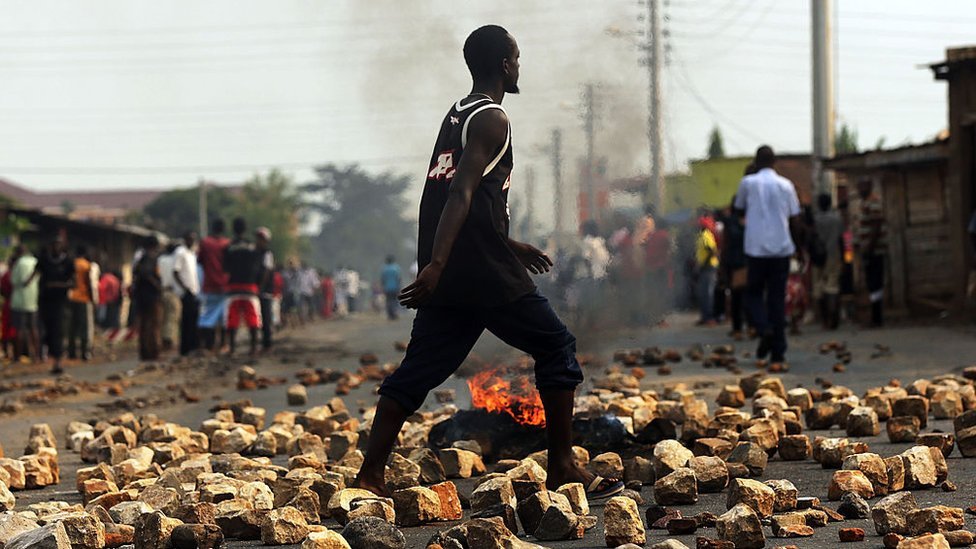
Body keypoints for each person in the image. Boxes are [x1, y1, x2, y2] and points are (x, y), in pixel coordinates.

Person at [353, 25, 622, 500]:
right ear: (504, 64)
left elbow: (462, 201)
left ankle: (370, 474)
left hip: (461, 267)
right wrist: (436, 264)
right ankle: (561, 464)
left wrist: (505, 245)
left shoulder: (458, 114)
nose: (519, 66)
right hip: (481, 272)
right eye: (516, 58)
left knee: (417, 372)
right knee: (557, 346)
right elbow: (459, 192)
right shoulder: (494, 118)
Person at [734, 145, 801, 367]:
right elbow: (795, 218)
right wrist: (799, 247)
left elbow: (739, 209)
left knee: (752, 295)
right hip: (782, 249)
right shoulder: (786, 185)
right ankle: (778, 353)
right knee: (777, 299)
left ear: (756, 161)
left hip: (756, 249)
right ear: (775, 162)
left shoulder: (748, 183)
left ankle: (765, 330)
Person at [222, 218, 263, 357]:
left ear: (233, 229)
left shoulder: (228, 247)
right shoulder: (252, 246)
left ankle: (232, 348)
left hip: (233, 287)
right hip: (250, 287)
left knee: (232, 318)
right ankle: (253, 347)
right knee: (253, 318)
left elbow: (225, 267)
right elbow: (258, 268)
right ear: (245, 229)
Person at [38, 239, 74, 373]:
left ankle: (57, 363)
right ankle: (48, 357)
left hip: (60, 303)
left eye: (58, 245)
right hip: (44, 302)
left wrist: (56, 285)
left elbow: (72, 283)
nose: (55, 248)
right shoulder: (44, 261)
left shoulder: (68, 262)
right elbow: (34, 275)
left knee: (57, 331)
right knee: (46, 331)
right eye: (53, 245)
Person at [855, 178, 887, 327]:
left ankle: (877, 317)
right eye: (859, 186)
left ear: (869, 186)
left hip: (874, 250)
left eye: (863, 186)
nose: (860, 189)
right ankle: (874, 316)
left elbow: (876, 225)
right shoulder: (864, 203)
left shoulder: (873, 202)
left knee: (875, 283)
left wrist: (869, 248)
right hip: (869, 249)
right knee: (872, 283)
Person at [812, 193, 843, 329]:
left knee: (819, 288)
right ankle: (834, 318)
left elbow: (811, 237)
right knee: (833, 286)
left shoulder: (815, 220)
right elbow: (841, 238)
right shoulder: (837, 219)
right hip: (833, 254)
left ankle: (824, 320)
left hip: (817, 257)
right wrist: (843, 256)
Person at [197, 218, 229, 352]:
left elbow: (200, 261)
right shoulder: (227, 244)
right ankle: (223, 344)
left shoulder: (205, 243)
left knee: (208, 316)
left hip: (209, 285)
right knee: (224, 316)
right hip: (226, 285)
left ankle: (207, 345)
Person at [722, 193, 748, 339]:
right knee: (751, 295)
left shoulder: (729, 221)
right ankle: (752, 326)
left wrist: (723, 263)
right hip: (750, 261)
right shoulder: (753, 221)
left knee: (736, 297)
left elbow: (725, 245)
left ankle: (737, 328)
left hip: (735, 264)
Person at [133, 237, 163, 361]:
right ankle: (152, 352)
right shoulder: (151, 258)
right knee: (153, 325)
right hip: (151, 297)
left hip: (141, 297)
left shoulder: (140, 259)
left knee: (144, 325)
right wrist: (157, 285)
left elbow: (136, 274)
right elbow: (146, 274)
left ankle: (144, 352)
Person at [10, 245, 39, 364]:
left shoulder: (19, 263)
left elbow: (13, 281)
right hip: (33, 301)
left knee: (19, 330)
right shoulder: (35, 261)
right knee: (33, 328)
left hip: (19, 301)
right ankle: (36, 356)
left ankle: (17, 356)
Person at [172, 232, 200, 356]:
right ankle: (185, 349)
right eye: (189, 239)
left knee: (194, 320)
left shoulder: (191, 253)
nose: (191, 241)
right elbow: (176, 272)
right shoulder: (180, 252)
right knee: (186, 321)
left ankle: (193, 346)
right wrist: (184, 288)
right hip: (186, 292)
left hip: (194, 291)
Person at [694, 215, 719, 326]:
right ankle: (705, 317)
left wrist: (704, 264)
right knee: (703, 293)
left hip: (708, 267)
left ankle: (709, 317)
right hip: (704, 267)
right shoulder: (701, 236)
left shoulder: (706, 235)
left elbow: (712, 251)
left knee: (707, 294)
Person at [157, 243, 180, 352]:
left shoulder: (160, 259)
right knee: (172, 317)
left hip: (160, 291)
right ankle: (169, 340)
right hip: (171, 291)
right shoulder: (174, 261)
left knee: (162, 317)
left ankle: (161, 339)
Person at [255, 227, 275, 351]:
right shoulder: (255, 252)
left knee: (266, 317)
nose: (258, 241)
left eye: (261, 239)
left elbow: (267, 272)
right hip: (255, 289)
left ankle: (267, 343)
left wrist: (260, 288)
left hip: (265, 290)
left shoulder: (267, 254)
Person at [380, 255, 402, 320]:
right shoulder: (396, 268)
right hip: (395, 287)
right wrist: (399, 286)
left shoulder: (384, 269)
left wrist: (383, 287)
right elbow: (399, 278)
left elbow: (383, 279)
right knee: (395, 301)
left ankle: (390, 314)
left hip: (387, 288)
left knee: (388, 301)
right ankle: (395, 313)